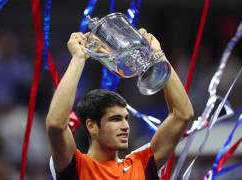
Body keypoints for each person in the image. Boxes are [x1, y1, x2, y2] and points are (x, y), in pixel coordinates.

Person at [46, 29, 194, 180]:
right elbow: (56, 124)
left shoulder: (140, 164)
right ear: (92, 126)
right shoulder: (77, 166)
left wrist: (157, 55)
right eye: (115, 119)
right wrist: (78, 58)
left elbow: (182, 115)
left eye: (126, 118)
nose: (125, 126)